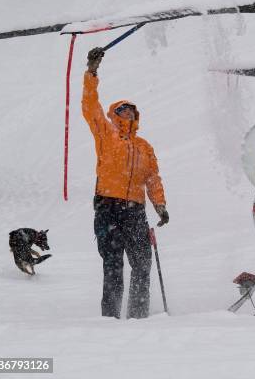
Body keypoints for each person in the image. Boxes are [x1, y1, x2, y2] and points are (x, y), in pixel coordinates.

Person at [82, 47, 169, 319]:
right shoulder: (105, 135)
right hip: (108, 207)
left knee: (142, 264)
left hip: (134, 211)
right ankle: (109, 317)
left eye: (132, 110)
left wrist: (160, 205)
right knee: (112, 265)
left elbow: (153, 178)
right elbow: (90, 107)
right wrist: (91, 73)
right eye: (123, 110)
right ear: (114, 115)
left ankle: (138, 315)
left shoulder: (144, 146)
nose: (128, 113)